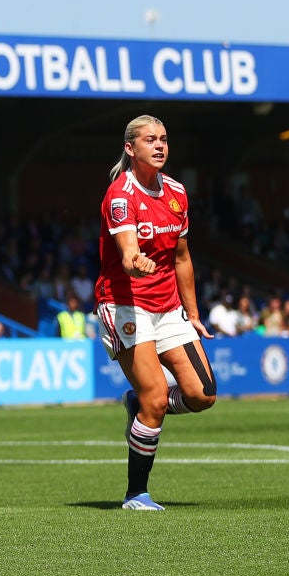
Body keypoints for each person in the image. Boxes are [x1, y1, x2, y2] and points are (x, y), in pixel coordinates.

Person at [94, 115, 216, 511]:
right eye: (151, 140)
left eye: (164, 139)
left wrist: (193, 312)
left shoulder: (178, 192)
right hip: (125, 304)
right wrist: (135, 261)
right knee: (158, 397)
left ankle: (139, 404)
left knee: (203, 395)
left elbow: (182, 258)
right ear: (131, 148)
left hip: (168, 308)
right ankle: (136, 494)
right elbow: (128, 252)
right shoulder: (120, 194)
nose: (160, 146)